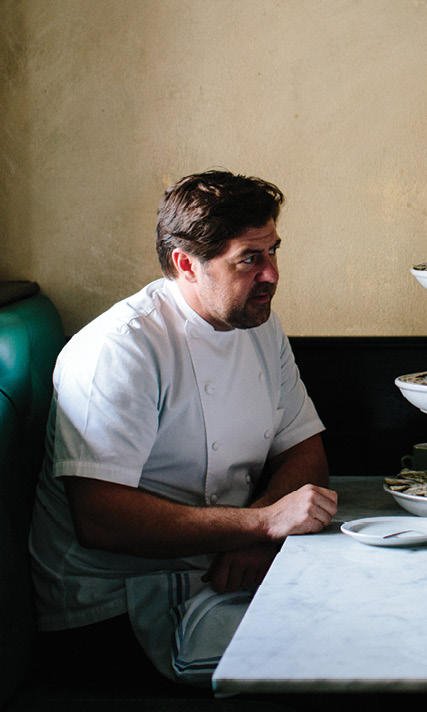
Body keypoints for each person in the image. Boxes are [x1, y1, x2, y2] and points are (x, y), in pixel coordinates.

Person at [29, 170, 338, 689]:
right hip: (115, 607)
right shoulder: (120, 348)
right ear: (185, 264)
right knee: (334, 663)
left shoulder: (259, 324)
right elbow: (101, 520)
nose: (272, 274)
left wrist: (254, 536)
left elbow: (306, 451)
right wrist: (259, 524)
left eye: (273, 252)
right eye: (249, 259)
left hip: (224, 570)